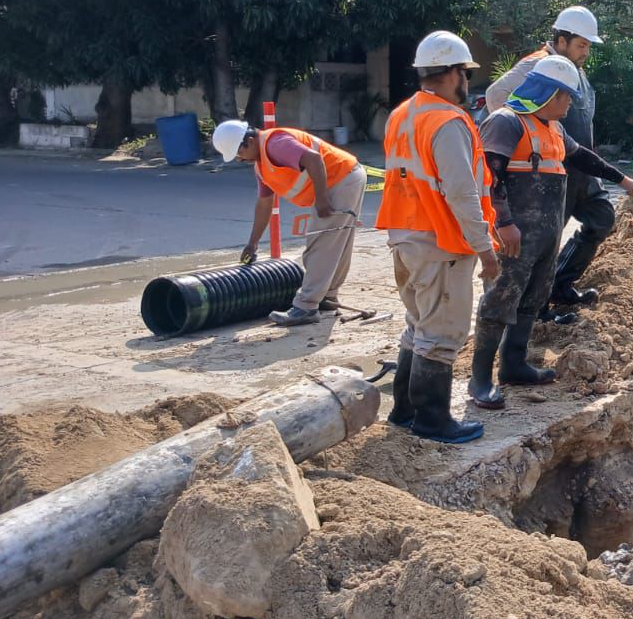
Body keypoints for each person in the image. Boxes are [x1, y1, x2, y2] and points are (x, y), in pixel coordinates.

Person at [468, 54, 633, 409]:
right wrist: (503, 223)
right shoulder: (507, 123)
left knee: (533, 299)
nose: (569, 104)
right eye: (565, 96)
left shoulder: (553, 129)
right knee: (499, 300)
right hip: (514, 237)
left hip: (545, 237)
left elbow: (583, 158)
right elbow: (489, 178)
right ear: (547, 94)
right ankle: (479, 379)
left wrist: (623, 180)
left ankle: (514, 364)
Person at [375, 30, 502, 444]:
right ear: (452, 73)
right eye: (465, 72)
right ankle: (433, 420)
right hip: (440, 240)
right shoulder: (447, 121)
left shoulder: (403, 114)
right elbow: (462, 192)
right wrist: (486, 250)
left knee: (419, 324)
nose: (467, 81)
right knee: (442, 331)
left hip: (404, 236)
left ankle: (405, 411)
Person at [485, 6, 613, 313]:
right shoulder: (538, 65)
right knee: (544, 242)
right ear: (561, 39)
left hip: (578, 166)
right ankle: (534, 310)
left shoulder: (574, 71)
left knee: (602, 218)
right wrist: (529, 136)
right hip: (549, 171)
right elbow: (495, 95)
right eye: (581, 45)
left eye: (587, 46)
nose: (585, 52)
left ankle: (560, 285)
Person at [212, 118, 365, 326]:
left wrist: (321, 198)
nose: (240, 159)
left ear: (248, 140)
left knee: (321, 245)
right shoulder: (261, 166)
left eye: (239, 153)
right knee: (335, 242)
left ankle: (306, 306)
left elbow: (313, 159)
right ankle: (327, 297)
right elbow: (264, 205)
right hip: (342, 178)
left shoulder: (275, 144)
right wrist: (252, 243)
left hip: (341, 179)